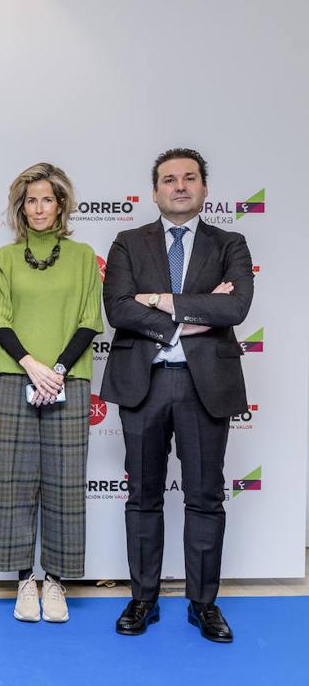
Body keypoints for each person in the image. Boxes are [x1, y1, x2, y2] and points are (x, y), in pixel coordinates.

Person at [102, 148, 253, 643]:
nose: (180, 186)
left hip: (204, 386)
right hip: (143, 384)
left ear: (205, 188)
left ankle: (203, 604)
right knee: (143, 497)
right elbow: (120, 309)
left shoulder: (231, 241)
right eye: (170, 179)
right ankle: (143, 597)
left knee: (206, 498)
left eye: (190, 178)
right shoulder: (127, 242)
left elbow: (236, 307)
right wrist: (191, 318)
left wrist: (163, 301)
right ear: (155, 191)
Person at [0, 163, 103, 624]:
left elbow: (90, 320)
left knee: (66, 484)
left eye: (47, 200)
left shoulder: (83, 256)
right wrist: (33, 366)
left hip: (67, 381)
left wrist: (55, 370)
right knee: (14, 482)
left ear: (60, 206)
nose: (38, 208)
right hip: (16, 379)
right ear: (21, 207)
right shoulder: (5, 258)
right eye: (31, 200)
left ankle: (55, 582)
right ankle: (23, 582)